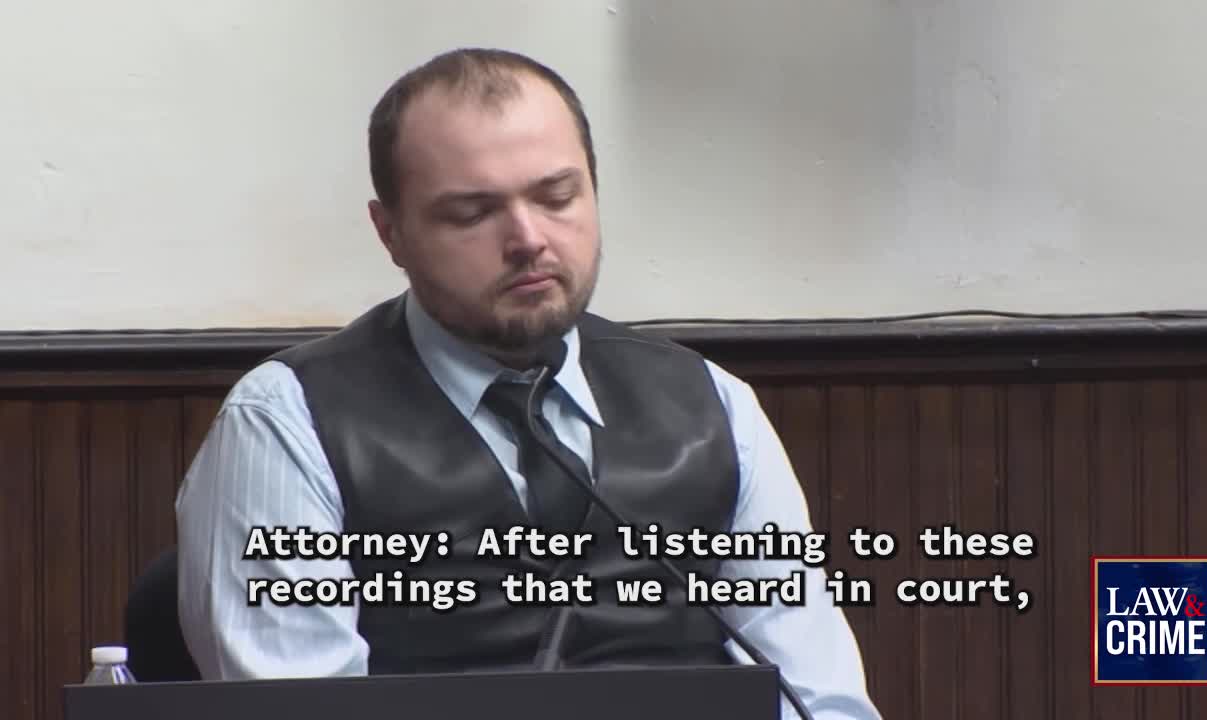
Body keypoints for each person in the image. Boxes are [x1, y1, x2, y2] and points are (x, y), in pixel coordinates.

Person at [175, 47, 880, 719]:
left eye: (556, 196)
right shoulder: (286, 422)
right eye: (472, 213)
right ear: (389, 232)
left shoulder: (712, 405)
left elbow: (818, 696)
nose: (528, 238)